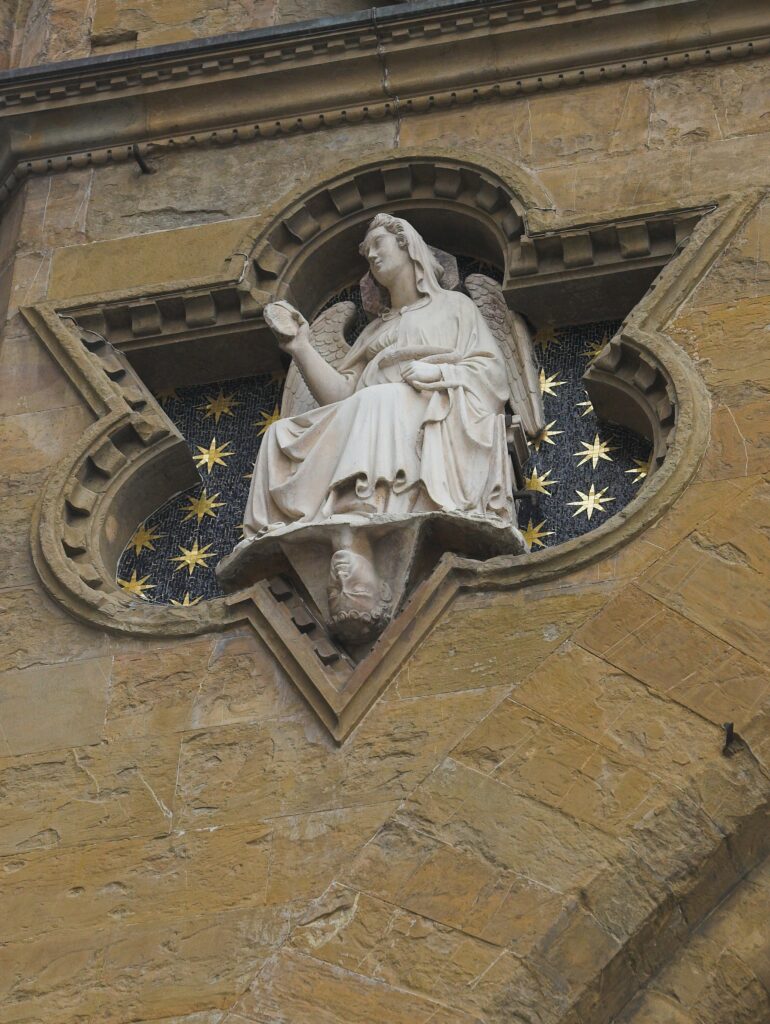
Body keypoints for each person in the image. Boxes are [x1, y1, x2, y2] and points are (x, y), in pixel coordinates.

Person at [243, 213, 514, 539]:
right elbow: (340, 397)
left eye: (378, 244)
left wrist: (440, 372)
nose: (371, 255)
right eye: (366, 252)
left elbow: (493, 373)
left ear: (407, 245)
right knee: (279, 434)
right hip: (371, 411)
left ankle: (370, 499)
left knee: (379, 397)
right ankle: (306, 518)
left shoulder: (454, 307)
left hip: (434, 408)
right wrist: (299, 346)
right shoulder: (374, 330)